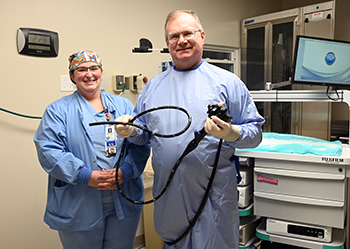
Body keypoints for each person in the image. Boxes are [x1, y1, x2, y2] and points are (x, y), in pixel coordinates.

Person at [115, 9, 265, 249]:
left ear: (202, 36)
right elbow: (143, 135)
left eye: (188, 33)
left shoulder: (227, 83)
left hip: (214, 194)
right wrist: (130, 131)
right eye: (174, 36)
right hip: (171, 194)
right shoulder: (153, 88)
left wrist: (230, 133)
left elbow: (255, 134)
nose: (181, 40)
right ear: (167, 43)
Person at [34, 50, 150, 249]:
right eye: (81, 69)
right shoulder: (58, 110)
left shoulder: (123, 105)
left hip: (123, 197)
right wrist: (86, 175)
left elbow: (140, 142)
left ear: (101, 72)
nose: (89, 74)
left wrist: (125, 172)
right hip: (79, 202)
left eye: (94, 68)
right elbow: (48, 150)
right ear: (72, 76)